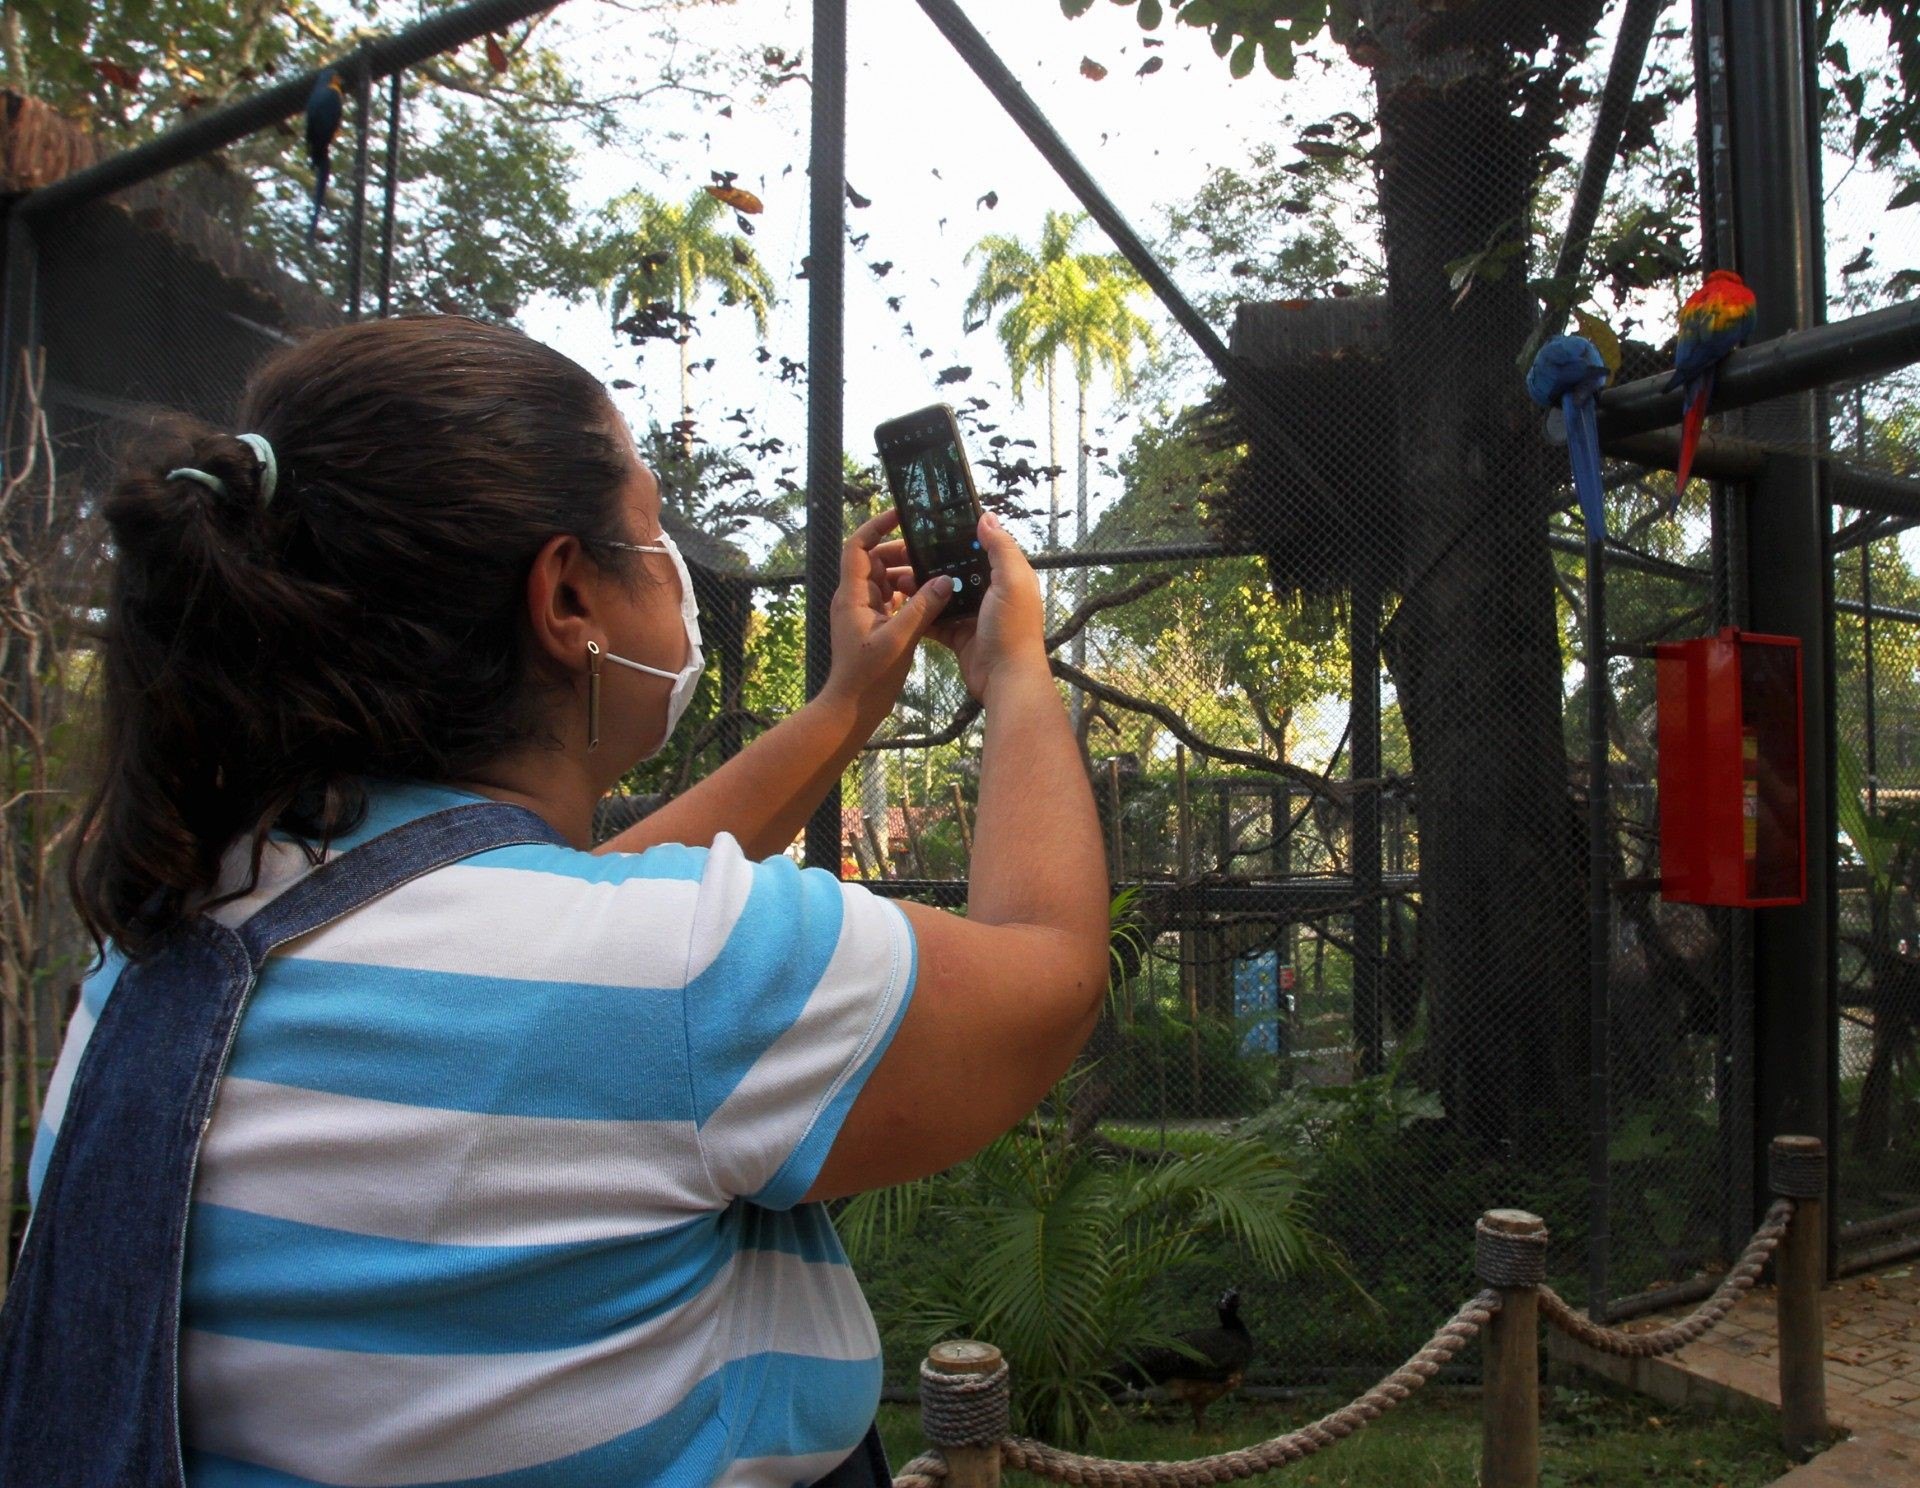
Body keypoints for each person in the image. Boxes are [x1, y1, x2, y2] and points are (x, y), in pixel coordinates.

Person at [0, 315, 1108, 1487]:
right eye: (649, 529)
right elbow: (1049, 972)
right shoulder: (684, 973)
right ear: (567, 597)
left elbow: (578, 911)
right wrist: (1015, 673)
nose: (673, 559)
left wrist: (844, 705)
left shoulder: (167, 954)